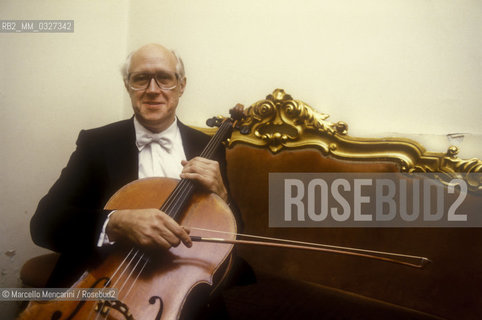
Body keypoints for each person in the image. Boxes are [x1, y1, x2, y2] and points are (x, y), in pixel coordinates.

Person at [30, 44, 243, 314]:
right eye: (141, 78)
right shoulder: (97, 143)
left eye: (164, 78)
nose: (153, 89)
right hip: (106, 283)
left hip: (179, 288)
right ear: (127, 85)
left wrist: (222, 196)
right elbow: (43, 223)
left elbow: (237, 234)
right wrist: (116, 222)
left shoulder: (207, 145)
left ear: (181, 85)